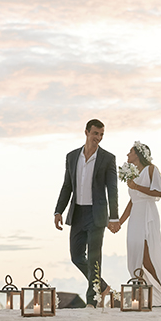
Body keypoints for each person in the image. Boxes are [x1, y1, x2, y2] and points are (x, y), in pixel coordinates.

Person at [54, 119, 120, 307]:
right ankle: (103, 287)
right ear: (86, 132)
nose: (98, 137)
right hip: (77, 213)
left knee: (94, 258)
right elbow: (67, 186)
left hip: (96, 214)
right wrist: (58, 211)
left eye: (101, 134)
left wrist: (114, 217)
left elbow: (112, 189)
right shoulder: (72, 157)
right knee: (76, 257)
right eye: (95, 133)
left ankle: (92, 300)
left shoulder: (108, 158)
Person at [119, 142, 161, 307]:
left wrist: (136, 186)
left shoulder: (151, 169)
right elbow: (132, 200)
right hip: (135, 217)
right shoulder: (132, 173)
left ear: (138, 154)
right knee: (135, 254)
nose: (127, 154)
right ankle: (147, 294)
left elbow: (158, 192)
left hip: (147, 214)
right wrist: (120, 221)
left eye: (130, 151)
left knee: (147, 257)